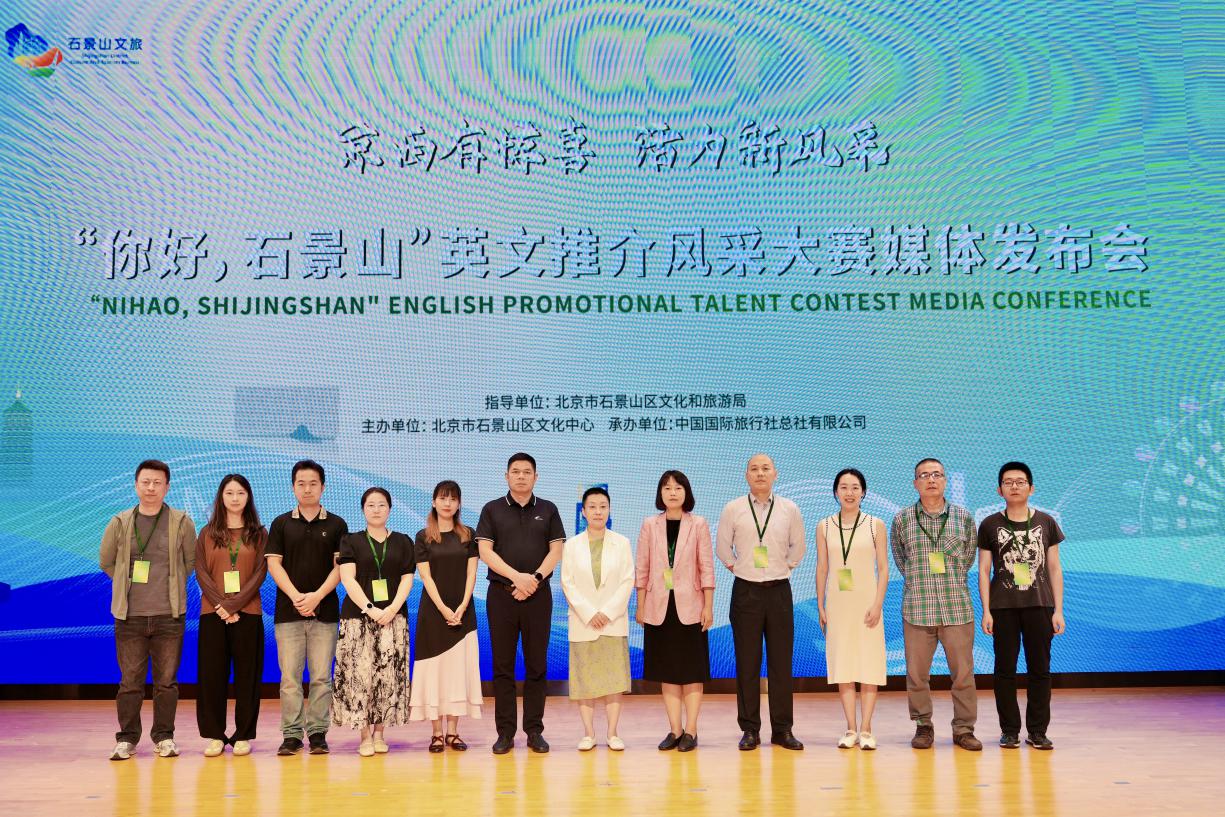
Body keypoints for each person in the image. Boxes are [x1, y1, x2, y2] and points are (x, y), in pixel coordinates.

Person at [99, 459, 197, 760]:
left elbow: (190, 562)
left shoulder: (181, 522)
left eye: (157, 482)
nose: (151, 487)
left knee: (166, 683)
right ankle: (127, 739)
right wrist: (126, 584)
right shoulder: (120, 522)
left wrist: (168, 585)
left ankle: (164, 737)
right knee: (130, 682)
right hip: (130, 617)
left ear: (167, 487)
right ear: (136, 485)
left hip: (169, 616)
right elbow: (106, 561)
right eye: (146, 482)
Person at [890, 458, 982, 751]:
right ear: (915, 483)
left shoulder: (963, 517)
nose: (931, 479)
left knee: (963, 675)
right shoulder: (902, 519)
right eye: (924, 475)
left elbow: (968, 559)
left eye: (937, 475)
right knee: (917, 676)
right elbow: (901, 560)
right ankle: (923, 726)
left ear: (945, 480)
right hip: (917, 608)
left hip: (956, 608)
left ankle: (964, 729)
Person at [716, 453, 806, 751]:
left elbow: (798, 547)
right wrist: (741, 568)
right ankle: (750, 729)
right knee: (747, 662)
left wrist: (782, 568)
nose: (760, 473)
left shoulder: (789, 508)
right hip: (746, 592)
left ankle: (782, 729)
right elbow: (723, 548)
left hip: (779, 590)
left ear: (775, 474)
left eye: (765, 468)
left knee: (781, 662)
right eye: (754, 469)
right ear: (746, 476)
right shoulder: (733, 508)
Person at [476, 453, 565, 754]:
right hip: (502, 595)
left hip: (538, 596)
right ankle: (505, 733)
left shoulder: (549, 509)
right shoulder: (492, 509)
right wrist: (517, 578)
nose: (521, 476)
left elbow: (556, 551)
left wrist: (534, 580)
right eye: (515, 471)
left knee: (536, 665)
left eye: (527, 472)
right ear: (506, 476)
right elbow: (485, 552)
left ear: (536, 477)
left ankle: (534, 731)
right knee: (502, 666)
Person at [977, 461, 1066, 750]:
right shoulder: (990, 524)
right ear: (999, 489)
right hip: (1003, 607)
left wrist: (1058, 610)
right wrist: (986, 610)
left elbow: (1054, 568)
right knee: (1005, 670)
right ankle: (1009, 731)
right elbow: (984, 570)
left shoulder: (1046, 522)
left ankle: (1038, 731)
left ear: (1031, 488)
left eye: (1020, 481)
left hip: (1040, 605)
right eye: (1008, 482)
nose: (1014, 486)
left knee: (1040, 669)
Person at [265, 459, 348, 756]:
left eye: (313, 483)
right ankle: (291, 734)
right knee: (290, 678)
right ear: (293, 487)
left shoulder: (337, 524)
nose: (307, 489)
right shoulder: (281, 523)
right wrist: (297, 597)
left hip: (325, 613)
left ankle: (317, 733)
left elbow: (340, 568)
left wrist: (316, 597)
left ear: (323, 487)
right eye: (301, 483)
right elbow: (274, 565)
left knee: (321, 677)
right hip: (288, 613)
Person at [635, 469, 714, 752]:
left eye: (678, 487)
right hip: (659, 607)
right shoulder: (649, 524)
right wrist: (641, 606)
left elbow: (706, 568)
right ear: (660, 493)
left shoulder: (698, 524)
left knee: (691, 672)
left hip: (691, 606)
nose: (672, 492)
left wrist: (708, 606)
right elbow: (642, 568)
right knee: (667, 672)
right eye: (667, 488)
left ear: (686, 492)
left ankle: (691, 730)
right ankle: (675, 730)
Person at [334, 487, 415, 756]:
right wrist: (370, 609)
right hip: (358, 619)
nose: (376, 509)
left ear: (390, 509)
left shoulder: (403, 541)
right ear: (363, 509)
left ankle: (380, 733)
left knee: (387, 677)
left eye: (382, 505)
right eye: (371, 505)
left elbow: (407, 578)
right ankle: (364, 735)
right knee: (360, 677)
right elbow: (348, 579)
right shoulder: (351, 540)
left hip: (393, 618)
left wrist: (391, 609)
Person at [195, 474, 268, 757]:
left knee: (248, 676)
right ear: (221, 497)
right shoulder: (207, 533)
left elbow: (260, 572)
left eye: (240, 493)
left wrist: (234, 604)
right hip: (212, 613)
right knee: (212, 675)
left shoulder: (259, 534)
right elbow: (201, 571)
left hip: (248, 612)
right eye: (229, 493)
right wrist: (221, 605)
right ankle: (215, 735)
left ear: (248, 497)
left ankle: (243, 735)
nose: (235, 498)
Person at [815, 469, 888, 750]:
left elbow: (883, 568)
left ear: (863, 492)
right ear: (835, 492)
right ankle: (850, 728)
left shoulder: (875, 525)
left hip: (867, 603)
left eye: (855, 487)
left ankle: (867, 729)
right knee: (842, 663)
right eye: (844, 487)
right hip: (838, 603)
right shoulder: (824, 526)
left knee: (869, 664)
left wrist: (878, 603)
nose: (849, 492)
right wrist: (820, 604)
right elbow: (822, 568)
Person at [409, 480, 483, 751]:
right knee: (435, 672)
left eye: (453, 498)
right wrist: (443, 608)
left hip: (463, 613)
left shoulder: (468, 534)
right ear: (434, 502)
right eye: (443, 498)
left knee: (457, 671)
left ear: (459, 503)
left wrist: (462, 605)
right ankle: (437, 733)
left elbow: (472, 573)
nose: (447, 503)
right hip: (433, 613)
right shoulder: (423, 536)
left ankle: (453, 732)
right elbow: (425, 576)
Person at [561, 487, 634, 751]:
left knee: (614, 680)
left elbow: (627, 580)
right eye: (592, 506)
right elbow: (567, 583)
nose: (598, 511)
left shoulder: (622, 543)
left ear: (609, 510)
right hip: (583, 622)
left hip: (612, 622)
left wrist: (607, 612)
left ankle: (613, 733)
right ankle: (589, 734)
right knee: (585, 680)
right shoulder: (571, 545)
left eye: (603, 506)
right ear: (583, 511)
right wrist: (590, 613)